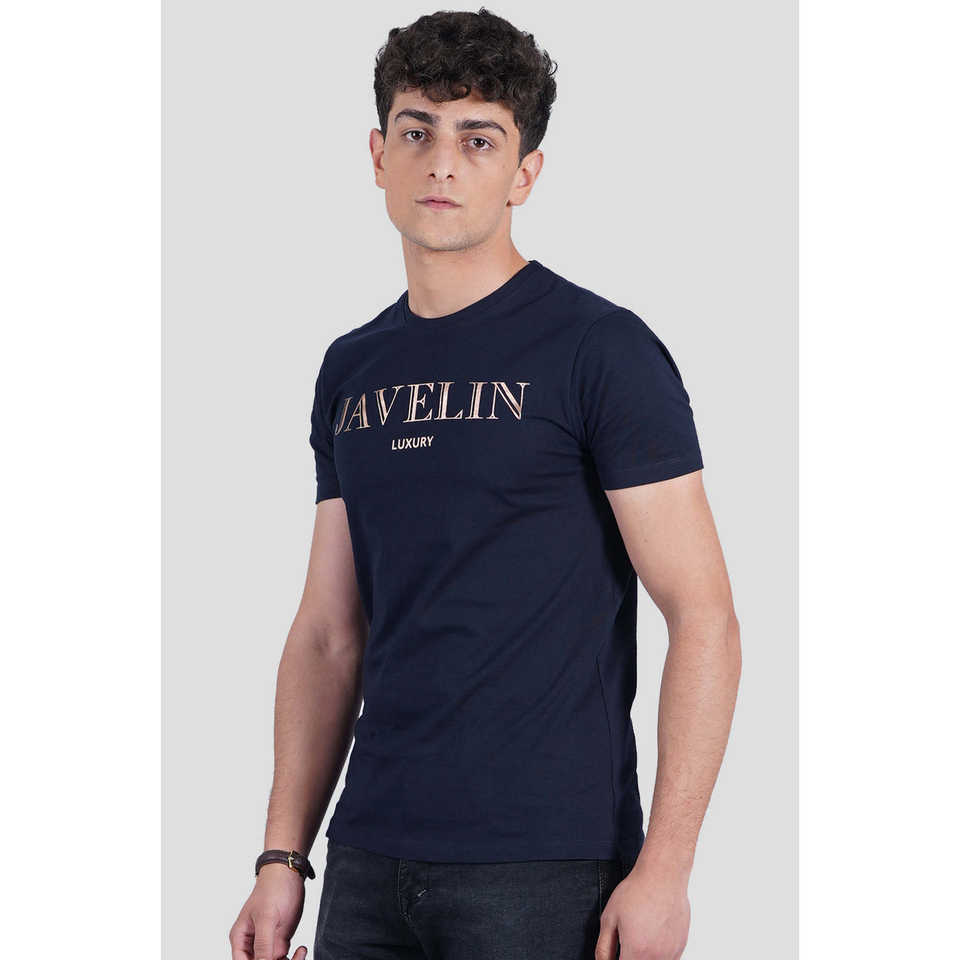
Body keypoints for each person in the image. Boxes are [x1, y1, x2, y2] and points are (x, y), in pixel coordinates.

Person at [229, 8, 741, 960]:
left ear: (525, 173)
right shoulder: (352, 368)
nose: (442, 165)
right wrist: (282, 855)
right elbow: (329, 631)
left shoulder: (601, 350)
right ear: (378, 154)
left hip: (545, 865)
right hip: (367, 861)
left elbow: (703, 612)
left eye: (478, 139)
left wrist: (667, 867)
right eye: (417, 132)